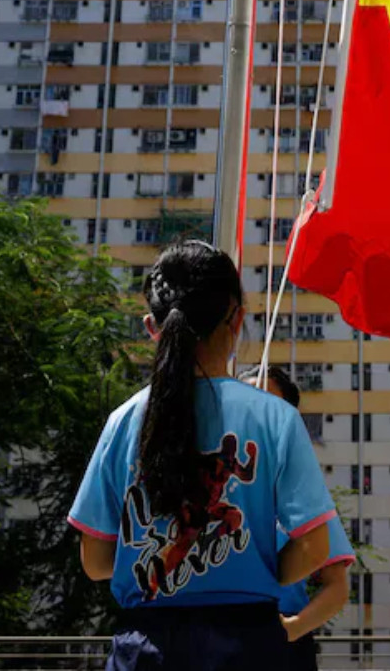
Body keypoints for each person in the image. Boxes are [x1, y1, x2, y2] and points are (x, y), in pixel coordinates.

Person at [67, 241, 337, 671]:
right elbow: (314, 545)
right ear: (237, 320)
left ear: (152, 328)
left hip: (147, 650)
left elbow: (96, 562)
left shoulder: (122, 421)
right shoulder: (276, 418)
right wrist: (258, 571)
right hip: (249, 649)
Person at [238, 365, 355, 671]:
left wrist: (292, 628)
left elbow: (336, 587)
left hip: (282, 644)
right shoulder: (213, 483)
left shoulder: (301, 491)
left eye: (266, 401)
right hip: (213, 634)